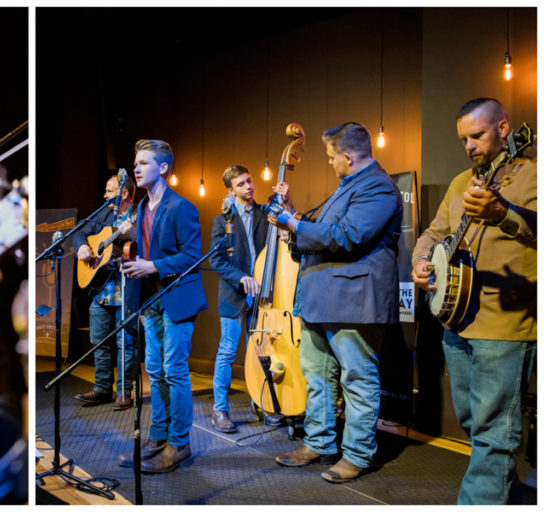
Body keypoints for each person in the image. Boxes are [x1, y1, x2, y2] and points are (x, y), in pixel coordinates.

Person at [411, 98, 536, 504]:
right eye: (463, 138)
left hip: (505, 324)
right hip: (456, 319)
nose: (469, 145)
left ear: (504, 128)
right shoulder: (461, 181)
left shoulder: (534, 174)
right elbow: (432, 233)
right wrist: (421, 262)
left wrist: (504, 214)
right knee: (473, 422)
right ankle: (512, 497)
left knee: (495, 430)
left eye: (477, 135)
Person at [268, 122, 401, 483]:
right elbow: (319, 234)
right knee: (317, 377)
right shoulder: (348, 187)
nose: (329, 163)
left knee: (357, 378)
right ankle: (319, 443)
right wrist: (293, 220)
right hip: (322, 299)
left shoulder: (377, 187)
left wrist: (293, 224)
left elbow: (347, 236)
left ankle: (357, 455)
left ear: (347, 155)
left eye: (330, 157)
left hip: (354, 301)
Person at [115, 139, 206, 473]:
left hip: (177, 297)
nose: (136, 168)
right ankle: (158, 436)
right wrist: (132, 245)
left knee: (174, 369)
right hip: (151, 298)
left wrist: (151, 266)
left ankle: (179, 444)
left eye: (143, 163)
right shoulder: (141, 209)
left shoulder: (181, 207)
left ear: (163, 168)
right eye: (135, 162)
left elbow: (193, 256)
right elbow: (148, 248)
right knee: (154, 370)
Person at [206, 165, 270, 433]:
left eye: (249, 181)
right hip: (234, 294)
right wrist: (241, 277)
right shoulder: (223, 220)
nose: (249, 187)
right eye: (241, 184)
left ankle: (262, 402)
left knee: (260, 353)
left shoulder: (264, 213)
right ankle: (220, 410)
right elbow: (216, 260)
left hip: (262, 295)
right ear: (230, 191)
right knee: (228, 351)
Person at [71, 174, 139, 410]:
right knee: (100, 342)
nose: (105, 195)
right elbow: (79, 230)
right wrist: (81, 246)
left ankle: (124, 392)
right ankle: (102, 389)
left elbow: (151, 243)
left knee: (125, 343)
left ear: (125, 194)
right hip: (101, 290)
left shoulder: (139, 215)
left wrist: (134, 234)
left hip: (125, 289)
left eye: (109, 191)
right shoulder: (104, 214)